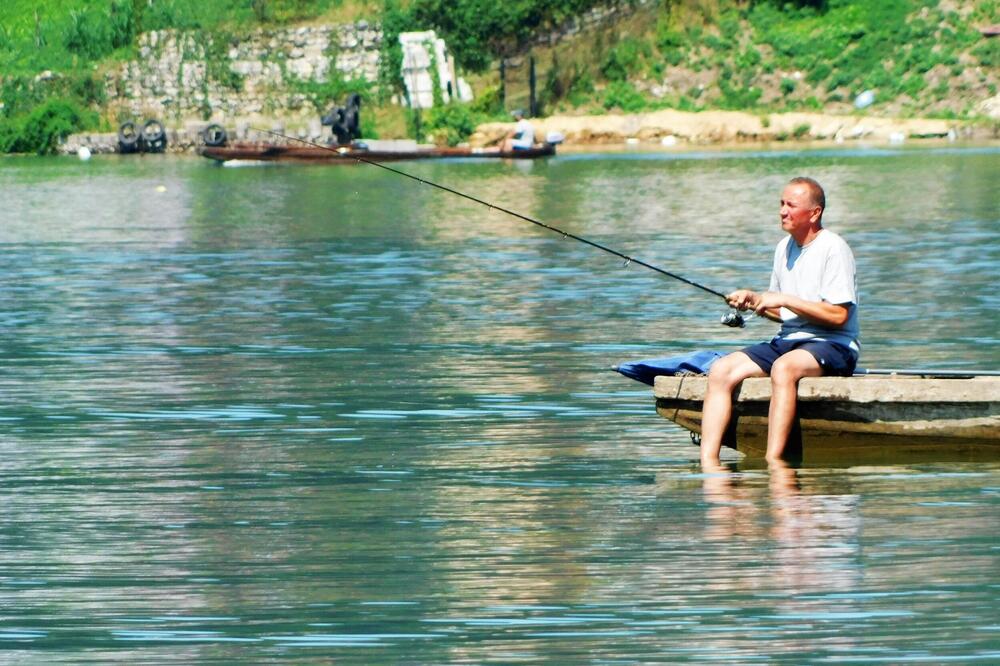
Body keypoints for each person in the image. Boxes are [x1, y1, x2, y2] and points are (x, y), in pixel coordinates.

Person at [700, 177, 860, 465]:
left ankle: (775, 463)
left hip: (834, 345)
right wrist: (755, 301)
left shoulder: (833, 248)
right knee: (721, 370)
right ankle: (709, 466)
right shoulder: (783, 248)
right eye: (781, 204)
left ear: (814, 213)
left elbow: (839, 316)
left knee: (783, 368)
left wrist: (784, 299)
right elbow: (782, 312)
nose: (783, 211)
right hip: (789, 341)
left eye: (791, 205)